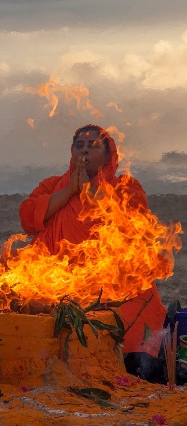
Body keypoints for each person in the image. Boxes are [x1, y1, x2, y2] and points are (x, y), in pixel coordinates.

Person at [19, 123, 168, 378]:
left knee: (136, 312)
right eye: (80, 146)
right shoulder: (52, 185)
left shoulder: (126, 187)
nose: (84, 151)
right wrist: (70, 191)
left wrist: (88, 189)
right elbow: (28, 218)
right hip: (58, 279)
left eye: (93, 146)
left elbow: (131, 224)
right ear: (71, 152)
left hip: (111, 281)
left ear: (109, 156)